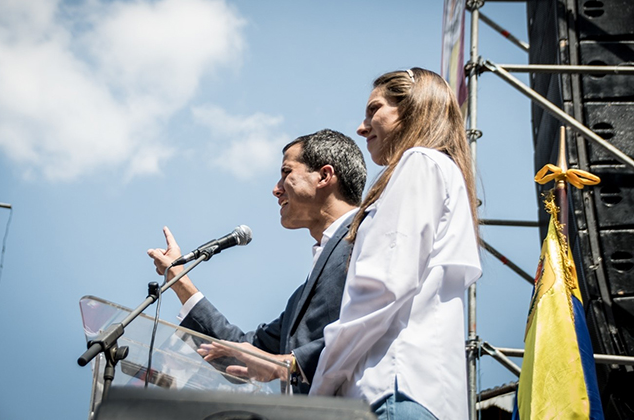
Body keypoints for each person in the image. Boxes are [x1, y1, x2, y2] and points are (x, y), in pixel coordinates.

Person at [309, 69, 482, 419]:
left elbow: (382, 287)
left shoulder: (418, 162)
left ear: (411, 108)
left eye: (374, 109)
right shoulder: (441, 170)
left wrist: (322, 384)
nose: (362, 127)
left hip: (391, 389)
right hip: (422, 393)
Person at [147, 129, 367, 394]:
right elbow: (241, 353)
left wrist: (293, 363)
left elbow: (380, 317)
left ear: (324, 176)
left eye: (286, 173)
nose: (276, 189)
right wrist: (180, 281)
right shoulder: (301, 299)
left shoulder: (371, 233)